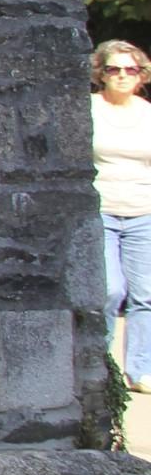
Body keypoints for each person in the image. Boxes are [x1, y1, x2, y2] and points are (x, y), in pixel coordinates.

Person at [91, 39, 151, 392]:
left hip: (144, 212)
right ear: (102, 73)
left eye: (131, 69)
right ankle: (104, 367)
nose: (122, 75)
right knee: (111, 290)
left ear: (141, 75)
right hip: (102, 211)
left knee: (146, 295)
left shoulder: (147, 113)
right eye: (114, 69)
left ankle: (139, 370)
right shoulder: (89, 109)